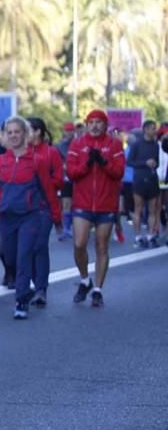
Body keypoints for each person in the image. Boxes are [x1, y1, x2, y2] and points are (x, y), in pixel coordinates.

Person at [0, 117, 62, 319]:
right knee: (10, 256)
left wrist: (56, 219)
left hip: (30, 217)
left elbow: (48, 191)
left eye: (17, 131)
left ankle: (21, 301)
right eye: (9, 132)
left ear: (25, 135)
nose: (13, 135)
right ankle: (25, 287)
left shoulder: (36, 161)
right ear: (5, 136)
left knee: (23, 256)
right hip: (7, 217)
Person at [66, 110, 125, 306]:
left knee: (102, 246)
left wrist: (103, 162)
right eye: (91, 122)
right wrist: (87, 163)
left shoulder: (115, 144)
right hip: (82, 202)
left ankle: (98, 289)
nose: (95, 125)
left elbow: (118, 173)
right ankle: (85, 280)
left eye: (99, 122)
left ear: (105, 125)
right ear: (86, 124)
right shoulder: (78, 143)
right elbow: (72, 173)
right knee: (79, 244)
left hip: (106, 203)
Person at [26, 118, 62, 306]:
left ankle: (41, 289)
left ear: (39, 132)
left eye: (28, 130)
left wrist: (42, 179)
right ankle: (33, 283)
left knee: (40, 246)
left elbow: (59, 180)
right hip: (23, 207)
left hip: (44, 205)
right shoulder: (20, 152)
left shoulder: (51, 152)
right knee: (27, 247)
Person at [128, 120, 164, 247]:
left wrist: (154, 164)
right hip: (139, 179)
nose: (154, 131)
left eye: (155, 128)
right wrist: (145, 163)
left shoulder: (156, 145)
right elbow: (129, 162)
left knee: (153, 209)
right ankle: (138, 236)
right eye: (152, 128)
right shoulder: (136, 144)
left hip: (152, 179)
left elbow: (158, 162)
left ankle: (150, 235)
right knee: (138, 209)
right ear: (145, 130)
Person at [56, 123, 75, 239]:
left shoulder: (79, 144)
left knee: (78, 205)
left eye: (71, 131)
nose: (69, 133)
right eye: (67, 131)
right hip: (65, 178)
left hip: (78, 177)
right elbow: (56, 161)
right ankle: (66, 229)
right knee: (66, 204)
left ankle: (76, 227)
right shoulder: (59, 146)